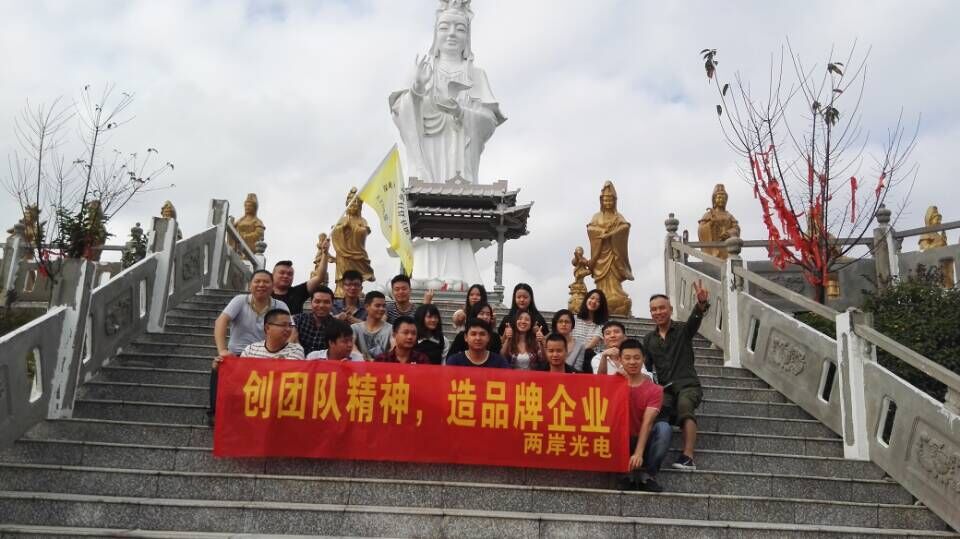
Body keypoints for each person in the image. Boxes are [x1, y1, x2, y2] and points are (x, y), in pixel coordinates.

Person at [643, 283, 710, 471]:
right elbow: (646, 369)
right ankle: (648, 454)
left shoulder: (682, 330)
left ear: (670, 310)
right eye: (654, 309)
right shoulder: (649, 339)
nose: (658, 312)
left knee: (684, 405)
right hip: (666, 389)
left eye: (662, 308)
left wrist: (701, 304)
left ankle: (688, 457)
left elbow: (695, 320)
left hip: (688, 385)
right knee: (656, 409)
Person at [209, 270, 289, 422]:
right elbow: (221, 321)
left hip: (266, 357)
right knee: (219, 365)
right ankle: (215, 413)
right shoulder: (240, 300)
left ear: (273, 286)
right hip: (238, 356)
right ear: (250, 285)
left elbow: (289, 330)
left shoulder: (280, 305)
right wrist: (223, 350)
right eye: (257, 281)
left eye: (266, 282)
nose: (261, 285)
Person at [618, 338, 671, 493]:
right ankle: (623, 473)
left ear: (644, 359)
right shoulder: (614, 385)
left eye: (637, 358)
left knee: (664, 428)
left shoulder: (655, 390)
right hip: (621, 439)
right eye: (627, 358)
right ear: (620, 360)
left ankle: (648, 475)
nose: (632, 362)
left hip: (645, 440)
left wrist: (639, 453)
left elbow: (648, 423)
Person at [446, 318, 511, 368]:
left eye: (482, 334)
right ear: (466, 337)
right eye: (473, 334)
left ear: (488, 337)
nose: (478, 338)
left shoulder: (500, 362)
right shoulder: (454, 361)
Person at [241, 309, 306, 359]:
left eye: (290, 325)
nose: (288, 329)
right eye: (283, 325)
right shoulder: (250, 350)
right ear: (267, 328)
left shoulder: (296, 350)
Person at [291, 286, 336, 355]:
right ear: (311, 303)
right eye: (317, 301)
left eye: (326, 302)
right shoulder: (298, 320)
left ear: (332, 304)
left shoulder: (337, 326)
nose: (321, 305)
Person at [351, 291, 392, 360]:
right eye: (377, 306)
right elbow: (351, 345)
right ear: (367, 306)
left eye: (384, 306)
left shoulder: (391, 329)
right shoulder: (354, 328)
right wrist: (361, 358)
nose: (382, 309)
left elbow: (394, 348)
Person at [574, 289, 609, 356]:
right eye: (592, 298)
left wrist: (574, 354)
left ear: (601, 305)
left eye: (598, 301)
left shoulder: (602, 324)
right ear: (586, 299)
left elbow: (591, 344)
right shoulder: (574, 319)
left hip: (591, 357)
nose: (594, 301)